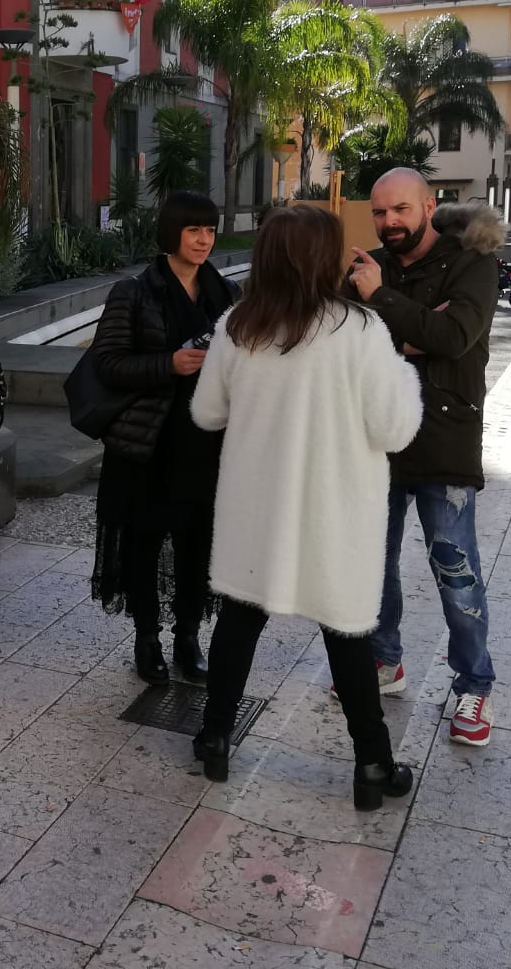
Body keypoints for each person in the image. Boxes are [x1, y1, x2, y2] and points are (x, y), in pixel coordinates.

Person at [190, 206, 423, 810]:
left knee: (238, 624)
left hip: (255, 512)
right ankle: (372, 764)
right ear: (325, 258)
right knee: (347, 636)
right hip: (335, 513)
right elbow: (394, 428)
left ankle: (215, 738)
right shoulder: (361, 329)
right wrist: (404, 376)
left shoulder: (238, 326)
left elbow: (207, 413)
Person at [348, 168, 501, 747]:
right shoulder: (372, 267)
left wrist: (382, 303)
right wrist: (412, 328)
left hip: (444, 440)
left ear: (429, 206)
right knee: (374, 564)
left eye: (401, 210)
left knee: (455, 571)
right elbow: (358, 342)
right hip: (379, 439)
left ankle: (473, 685)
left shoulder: (471, 264)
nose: (389, 223)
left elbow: (454, 337)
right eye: (380, 213)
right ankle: (385, 661)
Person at [88, 191, 238, 684]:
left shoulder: (226, 294)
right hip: (147, 445)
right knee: (143, 544)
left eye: (210, 230)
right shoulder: (134, 292)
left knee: (198, 546)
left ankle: (188, 636)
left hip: (207, 444)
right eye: (193, 229)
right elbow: (107, 364)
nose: (203, 240)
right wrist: (167, 364)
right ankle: (147, 638)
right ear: (171, 231)